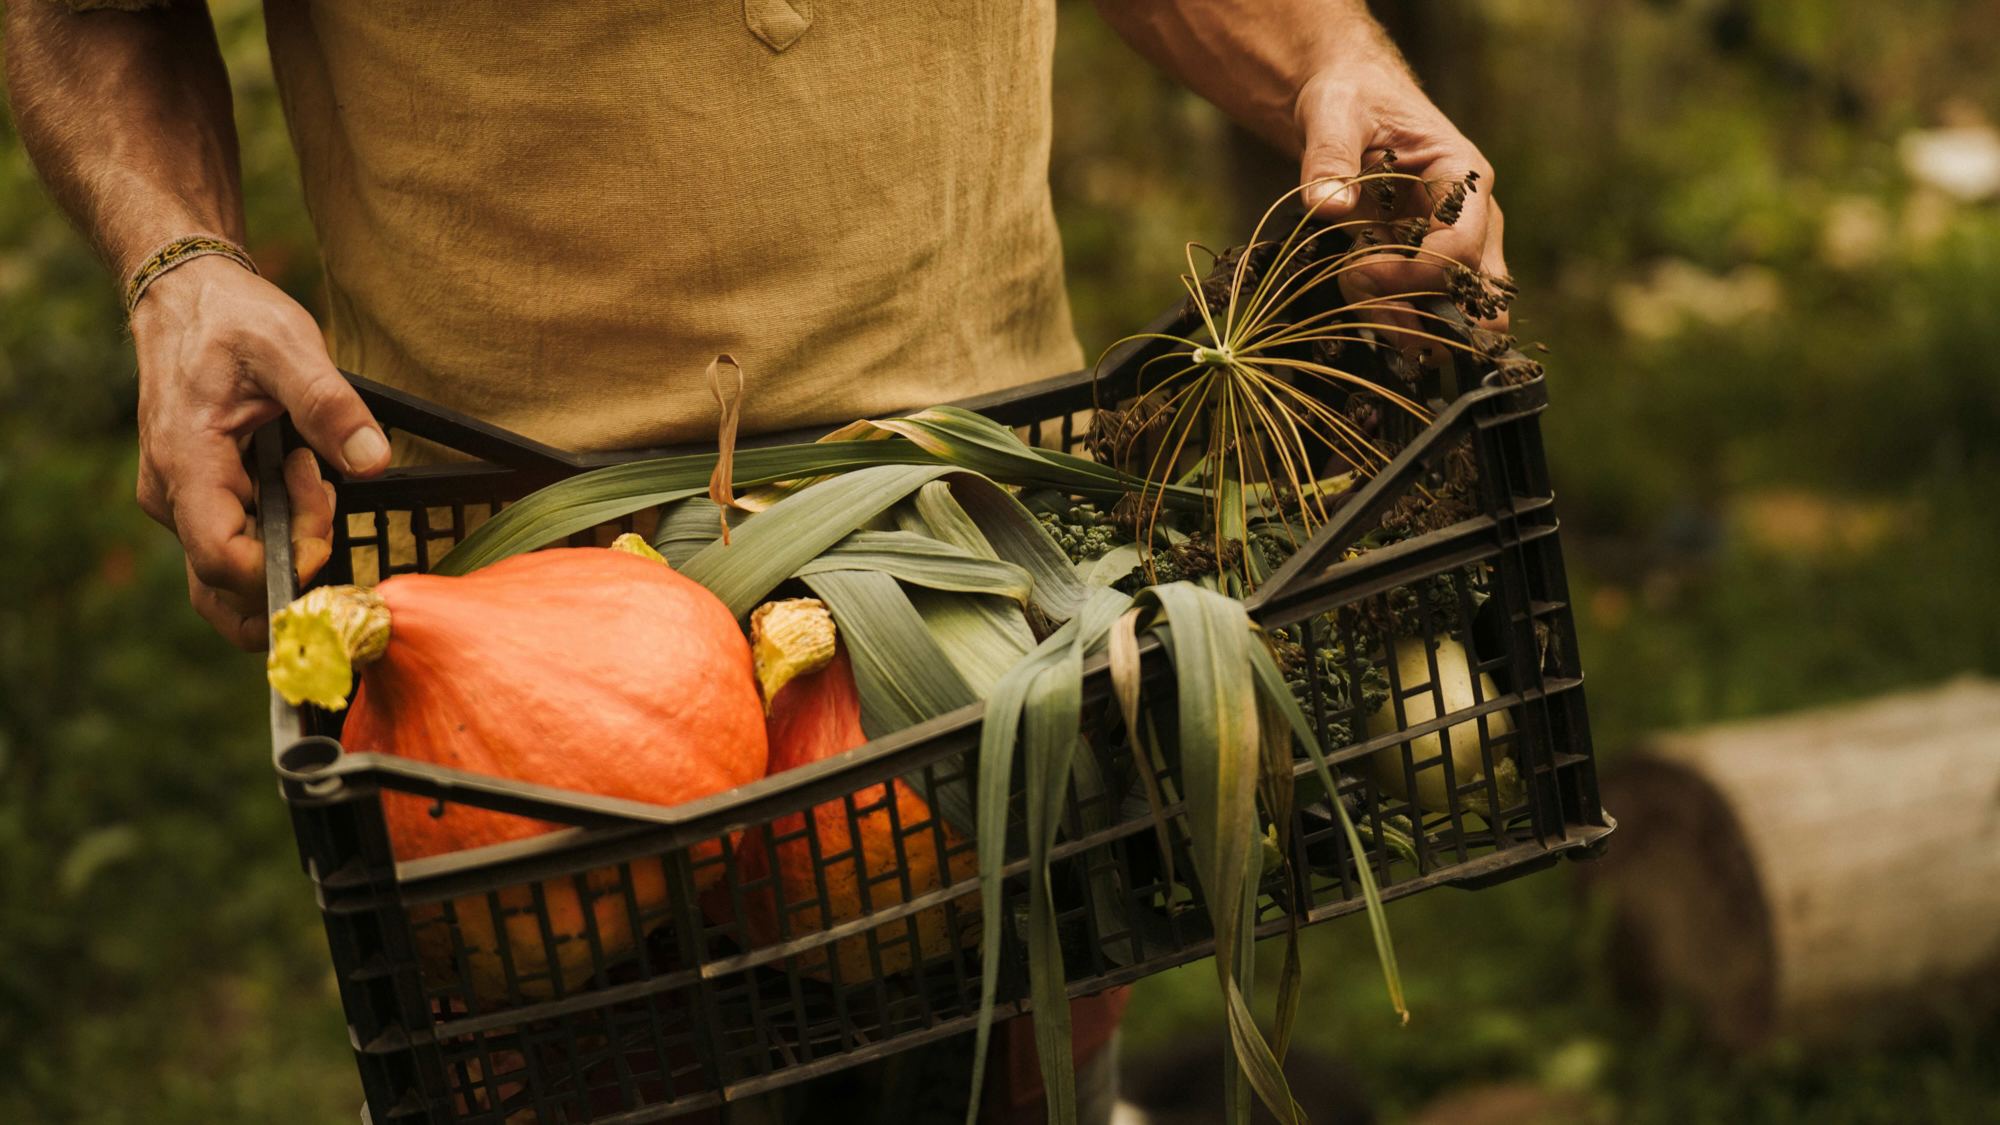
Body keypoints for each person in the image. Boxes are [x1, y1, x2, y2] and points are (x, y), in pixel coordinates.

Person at [6, 3, 1507, 1122]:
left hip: (1001, 607)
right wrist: (176, 265)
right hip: (542, 697)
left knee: (1030, 1081)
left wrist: (1329, 57)